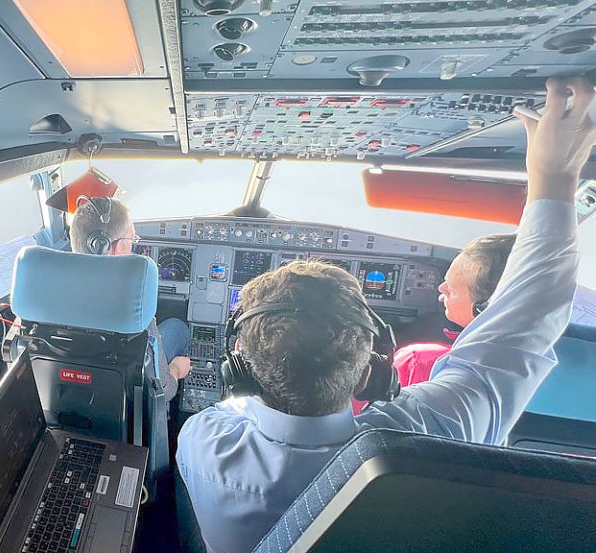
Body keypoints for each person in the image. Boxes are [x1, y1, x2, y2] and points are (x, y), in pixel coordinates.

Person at [177, 76, 596, 553]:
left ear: (242, 372)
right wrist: (558, 179)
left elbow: (534, 307)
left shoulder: (203, 437)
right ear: (370, 370)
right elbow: (529, 316)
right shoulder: (429, 437)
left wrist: (555, 180)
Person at [351, 233, 516, 413]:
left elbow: (352, 413)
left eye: (451, 290)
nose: (440, 288)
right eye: (446, 279)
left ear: (484, 309)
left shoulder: (418, 361)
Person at [69, 196, 192, 398]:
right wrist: (176, 370)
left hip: (75, 397)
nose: (134, 246)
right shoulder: (136, 311)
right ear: (113, 247)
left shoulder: (41, 296)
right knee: (178, 328)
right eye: (132, 240)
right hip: (125, 405)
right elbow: (164, 390)